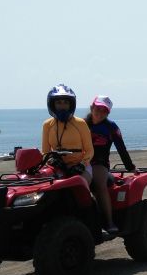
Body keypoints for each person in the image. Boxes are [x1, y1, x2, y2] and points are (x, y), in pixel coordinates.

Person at [86, 95, 135, 234]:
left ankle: (109, 221)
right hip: (80, 162)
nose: (100, 113)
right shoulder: (82, 124)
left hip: (99, 163)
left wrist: (130, 167)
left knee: (99, 184)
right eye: (98, 108)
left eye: (104, 111)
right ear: (91, 107)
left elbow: (121, 148)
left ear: (108, 113)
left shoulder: (111, 127)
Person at [41, 84, 94, 183]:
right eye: (58, 102)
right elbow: (45, 152)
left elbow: (89, 150)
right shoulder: (47, 125)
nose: (62, 106)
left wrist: (82, 164)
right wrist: (52, 161)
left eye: (66, 102)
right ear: (52, 104)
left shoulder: (80, 123)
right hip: (57, 168)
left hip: (80, 166)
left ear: (71, 104)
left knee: (79, 185)